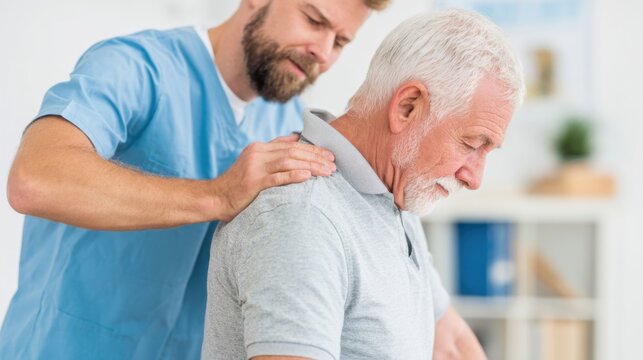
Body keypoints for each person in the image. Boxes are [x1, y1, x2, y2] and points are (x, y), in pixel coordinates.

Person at [0, 0, 390, 358]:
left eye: (340, 42)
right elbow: (34, 178)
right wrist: (218, 195)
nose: (322, 52)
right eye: (313, 19)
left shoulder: (286, 123)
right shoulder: (132, 67)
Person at [202, 9, 524, 360]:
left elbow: (451, 342)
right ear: (407, 107)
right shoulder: (302, 217)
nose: (474, 178)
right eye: (471, 145)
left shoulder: (392, 193)